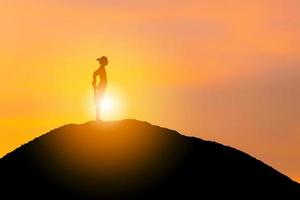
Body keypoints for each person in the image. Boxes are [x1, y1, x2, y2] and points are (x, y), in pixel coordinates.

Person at [92, 56, 108, 121]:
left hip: (102, 86)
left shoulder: (102, 68)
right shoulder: (101, 68)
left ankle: (98, 117)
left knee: (99, 101)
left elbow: (95, 73)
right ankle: (97, 118)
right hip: (101, 86)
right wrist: (94, 81)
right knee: (99, 101)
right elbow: (94, 73)